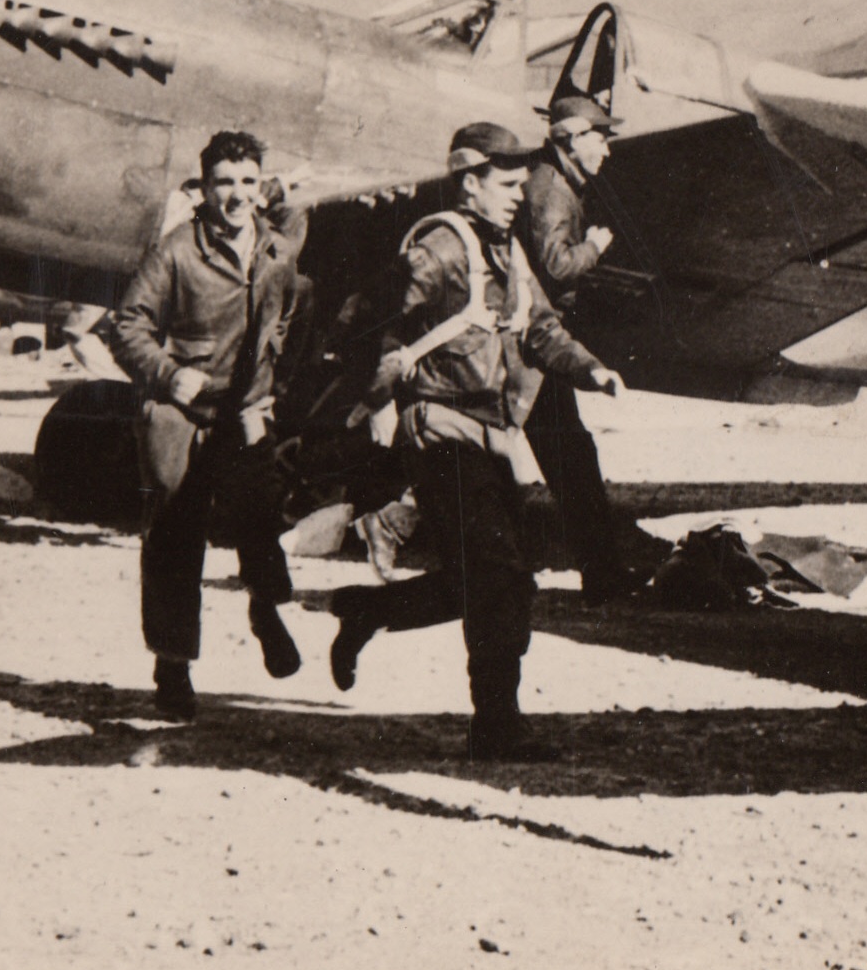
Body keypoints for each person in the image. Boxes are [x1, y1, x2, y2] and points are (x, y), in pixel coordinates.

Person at [326, 121, 623, 760]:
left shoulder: (506, 252)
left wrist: (590, 370)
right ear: (470, 183)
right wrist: (384, 387)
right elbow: (361, 315)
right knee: (499, 575)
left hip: (491, 438)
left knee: (495, 580)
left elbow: (540, 328)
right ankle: (496, 727)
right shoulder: (442, 248)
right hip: (439, 435)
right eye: (508, 184)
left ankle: (368, 612)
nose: (520, 195)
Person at [101, 129, 305, 723]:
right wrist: (168, 375)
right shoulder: (177, 250)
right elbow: (127, 325)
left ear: (262, 187)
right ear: (204, 187)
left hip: (245, 414)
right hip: (182, 413)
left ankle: (266, 611)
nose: (236, 196)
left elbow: (293, 323)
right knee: (173, 536)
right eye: (224, 183)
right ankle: (172, 670)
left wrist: (273, 399)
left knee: (263, 520)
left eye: (247, 183)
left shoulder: (278, 252)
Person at [516, 94, 641, 600]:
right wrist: (597, 247)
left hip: (531, 337)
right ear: (571, 137)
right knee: (569, 455)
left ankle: (601, 571)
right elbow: (555, 266)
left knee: (565, 452)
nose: (607, 149)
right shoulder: (552, 192)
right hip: (534, 342)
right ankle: (602, 574)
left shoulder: (551, 181)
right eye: (600, 137)